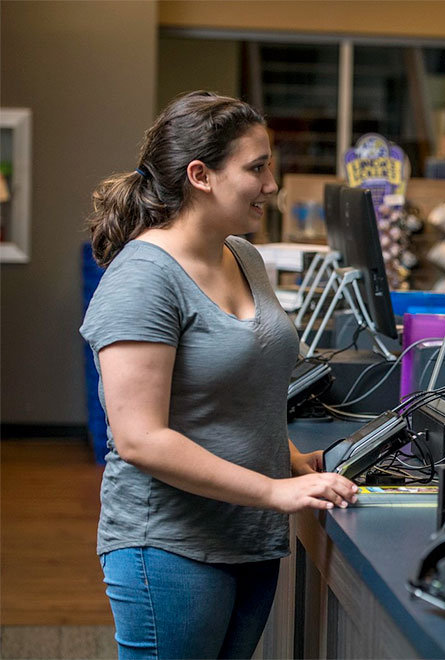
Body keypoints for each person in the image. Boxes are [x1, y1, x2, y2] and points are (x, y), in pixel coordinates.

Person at [80, 91, 359, 659]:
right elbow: (139, 438)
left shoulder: (242, 256)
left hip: (249, 537)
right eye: (257, 168)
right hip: (171, 544)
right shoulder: (143, 279)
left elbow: (239, 388)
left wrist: (289, 458)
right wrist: (276, 490)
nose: (272, 184)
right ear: (200, 175)